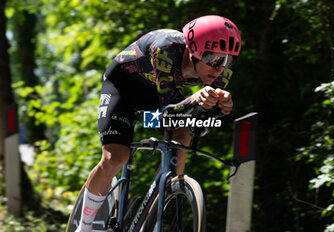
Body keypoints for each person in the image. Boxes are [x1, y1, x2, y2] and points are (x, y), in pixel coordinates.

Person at [75, 15, 241, 232]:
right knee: (115, 157)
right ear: (193, 51)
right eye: (213, 58)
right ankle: (85, 227)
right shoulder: (166, 48)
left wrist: (218, 109)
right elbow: (167, 113)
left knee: (182, 137)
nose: (219, 68)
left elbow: (197, 124)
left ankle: (150, 215)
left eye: (227, 59)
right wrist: (194, 100)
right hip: (123, 89)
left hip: (155, 100)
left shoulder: (221, 71)